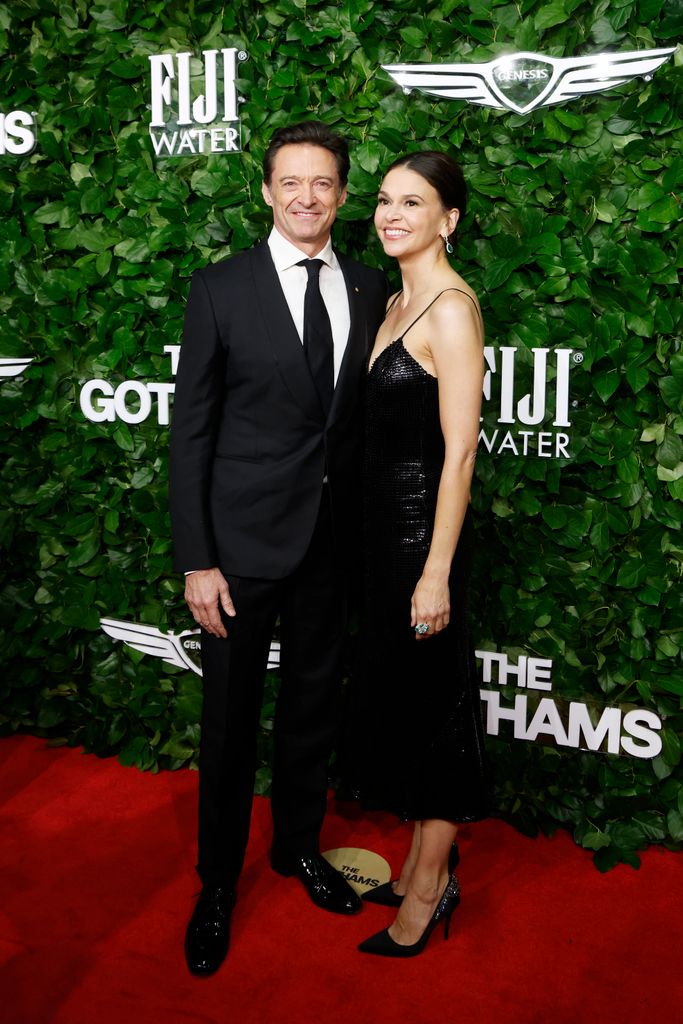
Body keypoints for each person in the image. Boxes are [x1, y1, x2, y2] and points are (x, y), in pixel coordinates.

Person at [169, 121, 389, 976]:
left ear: (342, 195)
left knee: (309, 712)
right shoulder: (219, 288)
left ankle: (297, 846)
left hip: (331, 549)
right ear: (266, 192)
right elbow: (191, 434)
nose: (306, 197)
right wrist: (197, 558)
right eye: (290, 182)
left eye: (323, 183)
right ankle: (215, 884)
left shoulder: (371, 287)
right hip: (239, 552)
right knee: (226, 725)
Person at [348, 151, 488, 957]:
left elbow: (459, 454)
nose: (391, 214)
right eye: (383, 200)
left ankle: (431, 887)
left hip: (421, 543)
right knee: (403, 700)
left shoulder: (450, 310)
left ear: (449, 220)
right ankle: (418, 858)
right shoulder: (397, 298)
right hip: (380, 542)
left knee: (434, 709)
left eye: (414, 202)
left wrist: (434, 571)